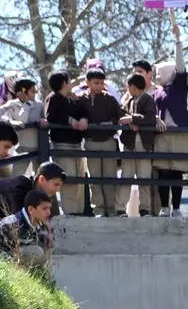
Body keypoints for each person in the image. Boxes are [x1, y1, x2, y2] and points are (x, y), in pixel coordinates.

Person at [152, 14, 188, 219]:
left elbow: (180, 66)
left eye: (160, 71)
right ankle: (164, 207)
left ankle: (176, 208)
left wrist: (178, 40)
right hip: (161, 134)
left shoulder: (179, 86)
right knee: (162, 172)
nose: (158, 74)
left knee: (176, 172)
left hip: (179, 133)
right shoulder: (156, 91)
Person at [79, 68, 125, 217]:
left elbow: (120, 115)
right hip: (91, 142)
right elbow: (76, 114)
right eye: (96, 83)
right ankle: (98, 209)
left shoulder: (109, 99)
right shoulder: (81, 100)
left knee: (110, 177)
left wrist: (110, 123)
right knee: (95, 178)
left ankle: (111, 209)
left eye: (101, 83)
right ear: (87, 82)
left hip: (108, 141)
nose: (99, 86)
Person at [45, 70, 87, 216]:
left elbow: (81, 111)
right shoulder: (54, 98)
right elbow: (51, 116)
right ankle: (70, 212)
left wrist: (83, 119)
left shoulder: (70, 99)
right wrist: (70, 121)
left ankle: (80, 211)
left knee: (79, 180)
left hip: (76, 144)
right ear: (64, 83)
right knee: (68, 179)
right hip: (62, 144)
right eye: (69, 81)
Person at [119, 73, 160, 218]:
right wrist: (130, 121)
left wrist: (133, 119)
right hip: (130, 143)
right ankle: (120, 209)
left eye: (129, 86)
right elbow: (121, 114)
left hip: (144, 143)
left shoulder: (148, 100)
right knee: (126, 176)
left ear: (133, 87)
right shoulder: (128, 100)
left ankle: (145, 209)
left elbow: (150, 118)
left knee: (144, 178)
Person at [0, 78, 44, 177]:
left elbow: (44, 118)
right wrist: (10, 122)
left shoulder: (38, 105)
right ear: (23, 92)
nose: (35, 94)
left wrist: (43, 120)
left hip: (38, 146)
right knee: (16, 175)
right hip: (22, 147)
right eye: (32, 91)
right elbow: (23, 118)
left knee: (41, 175)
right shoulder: (12, 104)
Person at [0, 187, 53, 266]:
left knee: (45, 245)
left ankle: (39, 276)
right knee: (37, 252)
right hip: (4, 261)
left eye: (49, 208)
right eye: (44, 209)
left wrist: (43, 235)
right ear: (31, 209)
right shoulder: (11, 224)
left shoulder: (39, 222)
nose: (49, 213)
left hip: (16, 254)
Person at [0, 160, 66, 217]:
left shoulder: (42, 195)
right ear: (42, 179)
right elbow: (18, 221)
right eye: (56, 184)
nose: (58, 190)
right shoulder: (20, 188)